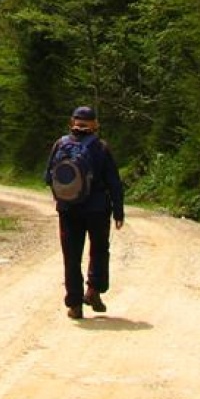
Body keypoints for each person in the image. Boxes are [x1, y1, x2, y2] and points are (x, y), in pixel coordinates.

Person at [44, 105, 125, 319]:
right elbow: (114, 183)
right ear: (95, 124)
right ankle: (94, 291)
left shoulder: (60, 144)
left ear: (72, 123)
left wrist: (64, 194)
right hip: (98, 209)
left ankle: (74, 304)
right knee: (99, 250)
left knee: (71, 256)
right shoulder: (100, 147)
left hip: (68, 210)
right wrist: (118, 211)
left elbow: (47, 177)